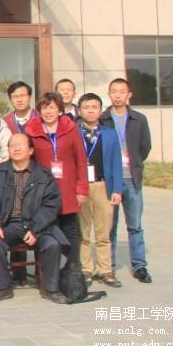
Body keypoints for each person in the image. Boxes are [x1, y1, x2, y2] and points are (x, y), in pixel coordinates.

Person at [0, 132, 69, 304]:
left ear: (30, 150)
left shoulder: (43, 175)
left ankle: (51, 288)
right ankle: (3, 287)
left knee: (52, 244)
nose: (16, 148)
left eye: (20, 145)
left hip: (38, 226)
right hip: (8, 224)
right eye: (12, 145)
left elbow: (51, 206)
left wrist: (35, 229)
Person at [24, 92, 87, 274]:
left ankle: (73, 268)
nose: (48, 112)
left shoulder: (71, 128)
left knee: (71, 230)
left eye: (52, 107)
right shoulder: (32, 130)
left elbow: (81, 159)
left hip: (67, 188)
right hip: (44, 190)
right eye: (44, 108)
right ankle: (48, 271)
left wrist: (82, 188)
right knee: (47, 230)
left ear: (59, 109)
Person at [100, 78, 152, 284]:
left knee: (135, 225)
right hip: (110, 180)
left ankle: (139, 266)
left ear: (129, 95)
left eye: (122, 91)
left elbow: (145, 147)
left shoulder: (139, 119)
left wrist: (134, 162)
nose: (118, 95)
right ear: (109, 94)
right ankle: (109, 266)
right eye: (114, 91)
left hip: (132, 179)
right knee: (109, 226)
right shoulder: (103, 119)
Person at [75, 93, 123, 288]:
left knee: (104, 232)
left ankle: (105, 270)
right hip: (81, 187)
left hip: (103, 186)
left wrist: (117, 189)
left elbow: (117, 163)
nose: (90, 111)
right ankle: (86, 269)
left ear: (101, 110)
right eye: (86, 107)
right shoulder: (73, 132)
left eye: (94, 107)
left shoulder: (110, 133)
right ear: (79, 111)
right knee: (83, 231)